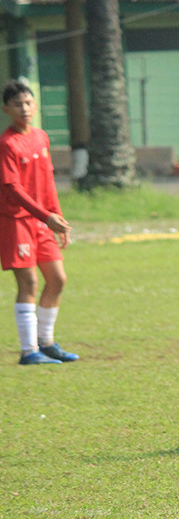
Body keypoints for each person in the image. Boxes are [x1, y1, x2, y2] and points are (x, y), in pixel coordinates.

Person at [0, 80, 78, 365]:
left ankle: (46, 343)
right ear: (6, 109)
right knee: (29, 282)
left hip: (43, 221)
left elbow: (47, 182)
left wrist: (58, 219)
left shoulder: (41, 137)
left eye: (29, 103)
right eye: (18, 104)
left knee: (57, 279)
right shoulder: (7, 143)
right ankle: (28, 351)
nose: (25, 108)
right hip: (15, 221)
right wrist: (46, 216)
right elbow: (12, 189)